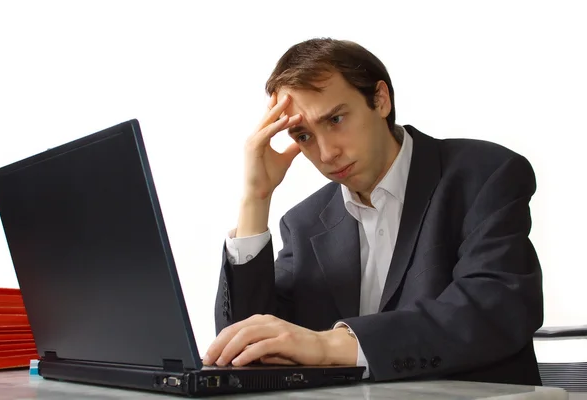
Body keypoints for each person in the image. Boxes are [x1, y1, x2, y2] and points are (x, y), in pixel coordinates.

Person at [204, 37, 544, 386]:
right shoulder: (305, 223)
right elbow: (243, 347)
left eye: (335, 119)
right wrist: (255, 199)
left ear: (380, 100)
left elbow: (494, 310)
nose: (326, 153)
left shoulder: (483, 175)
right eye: (303, 136)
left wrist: (330, 345)